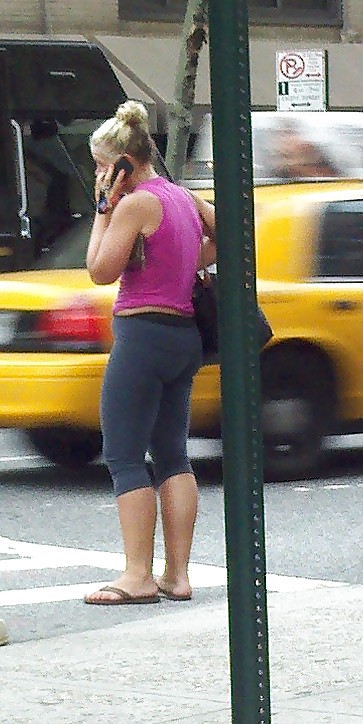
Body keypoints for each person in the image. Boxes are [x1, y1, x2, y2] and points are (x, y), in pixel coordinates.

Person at [83, 100, 216, 606]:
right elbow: (224, 232)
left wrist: (103, 208)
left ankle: (137, 575)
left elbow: (99, 270)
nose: (98, 174)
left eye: (102, 165)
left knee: (122, 454)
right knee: (173, 453)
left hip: (142, 335)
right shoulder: (183, 197)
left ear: (123, 164)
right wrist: (186, 261)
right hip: (183, 336)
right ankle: (177, 576)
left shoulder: (135, 203)